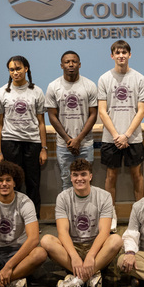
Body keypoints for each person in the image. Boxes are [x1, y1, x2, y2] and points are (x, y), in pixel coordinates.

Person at [39, 158, 123, 287]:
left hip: (97, 249)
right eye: (75, 175)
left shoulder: (104, 196)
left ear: (90, 176)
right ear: (70, 177)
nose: (79, 178)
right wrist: (74, 256)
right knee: (46, 240)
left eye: (83, 174)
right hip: (73, 247)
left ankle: (77, 280)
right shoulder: (62, 198)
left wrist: (91, 255)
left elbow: (104, 232)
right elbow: (63, 232)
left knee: (116, 240)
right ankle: (92, 275)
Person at [0, 55, 48, 217]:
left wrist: (44, 148)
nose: (15, 72)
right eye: (12, 69)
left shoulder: (36, 91)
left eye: (18, 69)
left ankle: (33, 219)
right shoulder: (2, 92)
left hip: (32, 143)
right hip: (10, 143)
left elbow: (41, 122)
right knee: (12, 183)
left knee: (33, 183)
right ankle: (13, 219)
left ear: (26, 69)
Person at [97, 40, 144, 203]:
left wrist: (126, 135)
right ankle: (110, 215)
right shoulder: (104, 79)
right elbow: (102, 111)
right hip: (111, 138)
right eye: (117, 53)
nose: (121, 55)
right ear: (112, 56)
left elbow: (141, 111)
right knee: (111, 176)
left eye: (124, 52)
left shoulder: (139, 78)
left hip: (133, 137)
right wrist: (116, 135)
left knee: (137, 175)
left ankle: (140, 212)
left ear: (129, 55)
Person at [45, 50, 98, 191]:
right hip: (64, 145)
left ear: (79, 64)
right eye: (67, 62)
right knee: (67, 181)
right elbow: (52, 116)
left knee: (86, 182)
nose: (70, 64)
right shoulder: (53, 86)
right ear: (61, 65)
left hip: (85, 144)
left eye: (74, 61)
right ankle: (68, 213)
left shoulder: (90, 85)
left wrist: (78, 140)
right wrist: (69, 140)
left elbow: (93, 114)